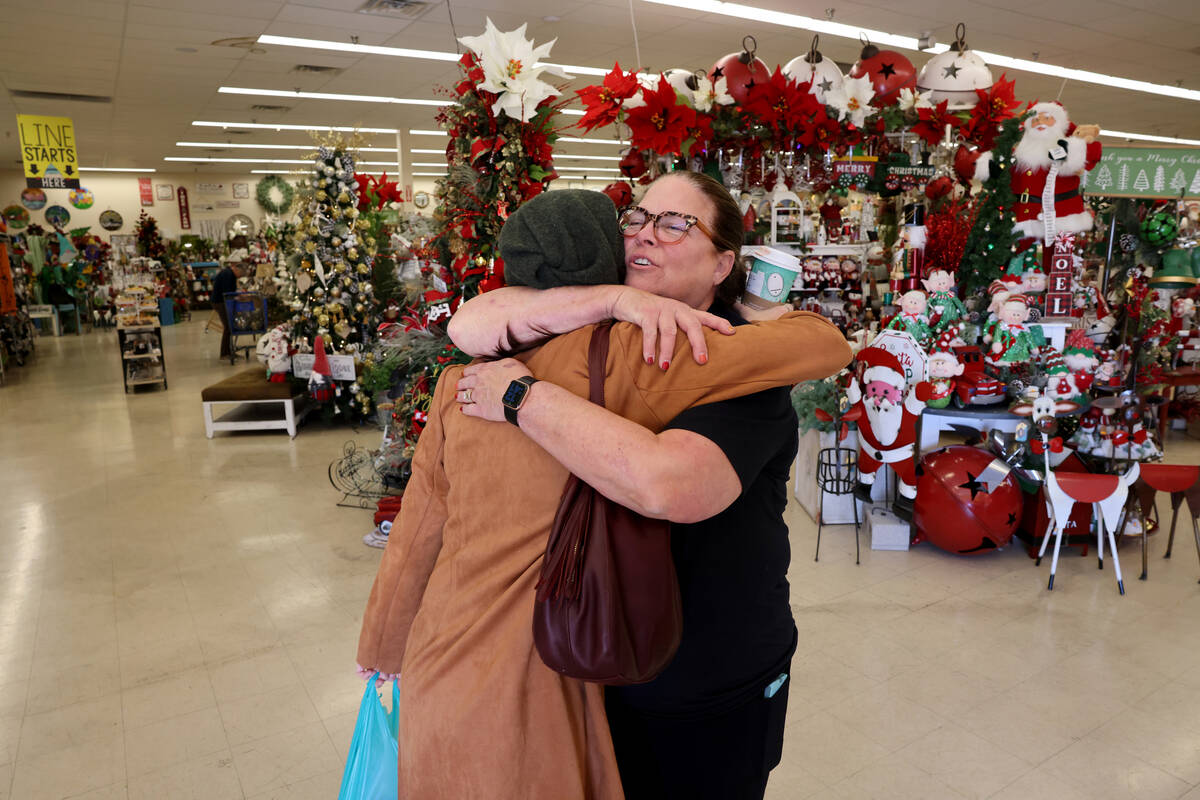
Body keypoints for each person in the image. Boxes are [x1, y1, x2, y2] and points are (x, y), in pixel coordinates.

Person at [356, 184, 851, 799]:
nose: (644, 232)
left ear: (724, 263)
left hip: (699, 681)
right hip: (590, 669)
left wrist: (384, 644)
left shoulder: (723, 361)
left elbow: (670, 485)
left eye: (675, 224)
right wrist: (613, 302)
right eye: (638, 218)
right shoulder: (628, 353)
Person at [211, 257, 244, 360]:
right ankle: (224, 353)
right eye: (241, 274)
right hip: (220, 302)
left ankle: (229, 351)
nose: (240, 277)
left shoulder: (230, 274)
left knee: (229, 326)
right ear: (237, 269)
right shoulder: (228, 274)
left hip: (223, 301)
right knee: (228, 327)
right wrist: (237, 296)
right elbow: (227, 292)